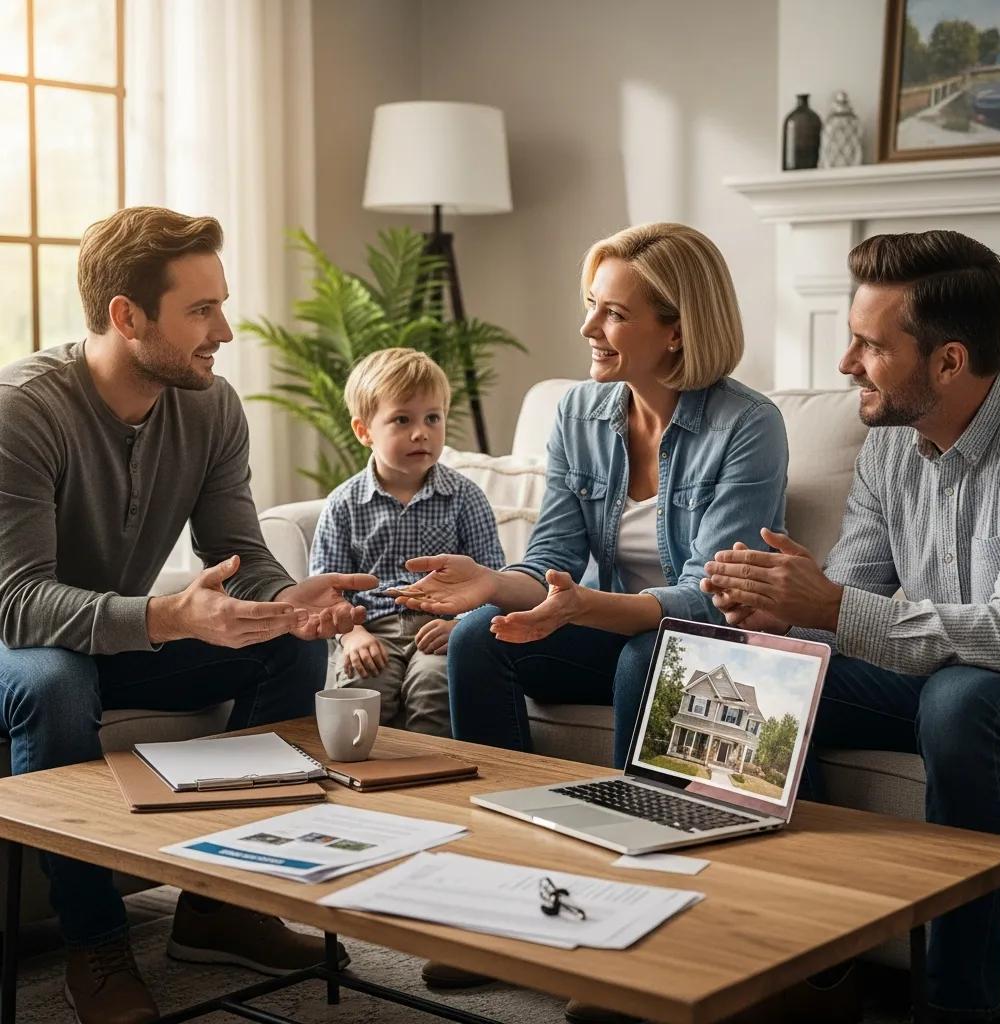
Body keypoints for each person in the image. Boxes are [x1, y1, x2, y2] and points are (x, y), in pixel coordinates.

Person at [392, 222, 788, 1024]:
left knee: (653, 652)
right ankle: (492, 902)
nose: (587, 331)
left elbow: (710, 597)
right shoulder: (580, 411)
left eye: (612, 314)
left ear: (677, 330)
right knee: (478, 638)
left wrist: (579, 607)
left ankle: (627, 929)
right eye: (590, 307)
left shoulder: (748, 426)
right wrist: (495, 584)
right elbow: (551, 558)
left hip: (701, 646)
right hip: (608, 626)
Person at [0, 206, 377, 1024]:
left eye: (222, 305)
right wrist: (170, 617)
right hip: (17, 642)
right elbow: (20, 601)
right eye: (201, 311)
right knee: (57, 682)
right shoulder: (21, 413)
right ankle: (94, 944)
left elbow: (243, 550)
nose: (226, 331)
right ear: (126, 316)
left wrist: (286, 603)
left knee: (287, 651)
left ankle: (220, 906)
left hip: (119, 632)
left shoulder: (209, 407)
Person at [702, 229, 1000, 1024]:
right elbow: (853, 592)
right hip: (927, 678)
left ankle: (958, 1007)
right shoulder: (889, 446)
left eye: (868, 345)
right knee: (733, 665)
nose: (846, 364)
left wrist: (833, 608)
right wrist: (781, 608)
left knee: (960, 700)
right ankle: (788, 970)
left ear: (948, 361)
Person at [309, 348, 505, 736]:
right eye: (402, 419)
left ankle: (427, 784)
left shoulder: (466, 498)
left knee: (435, 687)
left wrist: (462, 628)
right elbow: (325, 592)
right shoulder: (343, 504)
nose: (421, 432)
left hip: (438, 629)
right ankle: (358, 785)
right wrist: (352, 635)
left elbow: (493, 579)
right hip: (370, 629)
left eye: (433, 418)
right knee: (358, 694)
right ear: (364, 430)